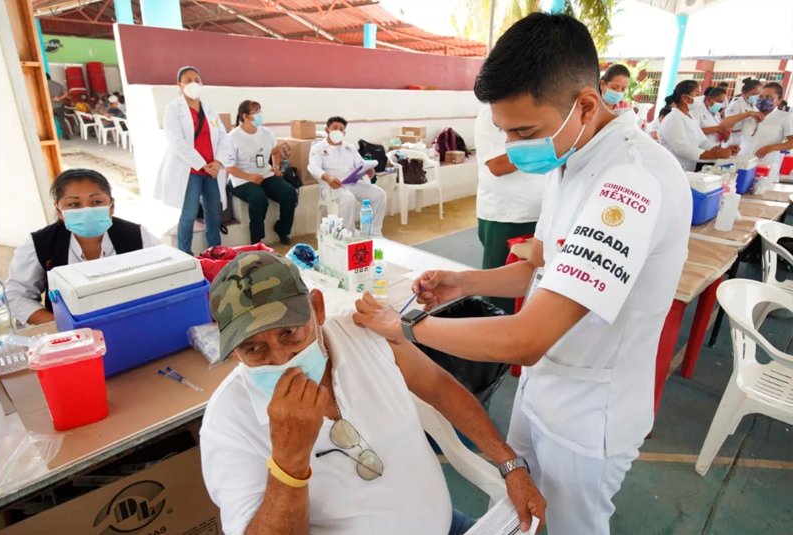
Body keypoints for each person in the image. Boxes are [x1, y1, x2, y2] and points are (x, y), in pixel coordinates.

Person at [352, 13, 692, 535]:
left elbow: (528, 337)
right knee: (524, 514)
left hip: (587, 413)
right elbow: (546, 273)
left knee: (570, 526)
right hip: (543, 392)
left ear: (583, 103)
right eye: (505, 130)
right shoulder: (572, 157)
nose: (512, 145)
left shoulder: (632, 182)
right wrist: (467, 283)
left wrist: (408, 330)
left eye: (523, 131)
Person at [200, 251, 546, 535]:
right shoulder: (228, 423)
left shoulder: (361, 333)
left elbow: (439, 388)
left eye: (290, 334)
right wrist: (288, 464)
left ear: (317, 309)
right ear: (233, 352)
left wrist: (509, 463)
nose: (281, 360)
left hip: (445, 525)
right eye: (254, 350)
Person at [4, 169, 160, 326]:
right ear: (59, 211)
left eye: (96, 202)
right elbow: (16, 295)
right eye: (74, 204)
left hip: (134, 323)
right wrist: (61, 325)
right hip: (71, 337)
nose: (87, 211)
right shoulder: (40, 244)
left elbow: (173, 276)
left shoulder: (138, 236)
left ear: (111, 206)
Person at [474, 103, 546, 313]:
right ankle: (489, 339)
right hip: (506, 216)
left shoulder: (541, 106)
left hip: (541, 213)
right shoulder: (492, 112)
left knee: (534, 289)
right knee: (499, 297)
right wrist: (541, 148)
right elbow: (498, 165)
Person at [155, 66, 230, 255]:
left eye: (196, 79)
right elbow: (176, 141)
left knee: (213, 212)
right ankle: (185, 254)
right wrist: (202, 164)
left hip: (212, 170)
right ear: (179, 85)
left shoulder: (209, 109)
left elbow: (223, 136)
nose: (193, 83)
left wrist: (219, 162)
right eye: (188, 80)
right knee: (188, 214)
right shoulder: (173, 109)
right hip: (191, 171)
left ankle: (215, 251)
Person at [226, 100, 297, 245]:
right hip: (241, 178)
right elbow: (229, 167)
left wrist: (276, 166)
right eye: (255, 112)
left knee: (289, 193)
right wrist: (249, 177)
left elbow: (275, 151)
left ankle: (282, 229)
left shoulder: (266, 133)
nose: (259, 115)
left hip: (265, 173)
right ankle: (257, 240)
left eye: (260, 111)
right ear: (245, 116)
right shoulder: (232, 137)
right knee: (259, 199)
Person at [308, 117, 386, 236]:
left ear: (344, 132)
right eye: (335, 128)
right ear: (327, 130)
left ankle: (375, 232)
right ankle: (348, 235)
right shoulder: (317, 148)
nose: (338, 131)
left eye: (341, 129)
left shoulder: (350, 148)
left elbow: (361, 164)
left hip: (352, 183)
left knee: (379, 194)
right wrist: (327, 177)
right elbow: (313, 167)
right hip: (333, 186)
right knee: (348, 198)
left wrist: (368, 170)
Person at [658, 80, 737, 171]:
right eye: (697, 95)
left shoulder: (690, 117)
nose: (700, 98)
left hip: (688, 168)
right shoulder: (673, 119)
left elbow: (702, 141)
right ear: (685, 98)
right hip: (674, 168)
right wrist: (715, 155)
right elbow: (682, 148)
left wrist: (721, 150)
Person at [738, 82, 793, 178]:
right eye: (761, 96)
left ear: (779, 100)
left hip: (766, 166)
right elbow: (725, 126)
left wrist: (770, 148)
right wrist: (748, 114)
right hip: (742, 164)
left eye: (768, 97)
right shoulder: (750, 113)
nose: (763, 99)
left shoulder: (785, 117)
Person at [694, 87, 761, 147]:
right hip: (700, 149)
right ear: (708, 99)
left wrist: (724, 134)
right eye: (718, 101)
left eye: (722, 102)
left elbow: (720, 127)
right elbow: (692, 131)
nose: (720, 104)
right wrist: (717, 129)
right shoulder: (696, 111)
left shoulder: (716, 113)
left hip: (714, 148)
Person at [725, 77, 762, 146]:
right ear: (744, 93)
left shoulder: (753, 103)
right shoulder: (736, 104)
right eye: (753, 94)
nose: (756, 96)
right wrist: (747, 114)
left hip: (748, 137)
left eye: (758, 94)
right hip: (736, 138)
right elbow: (728, 123)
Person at [46, 73, 70, 140]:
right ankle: (66, 136)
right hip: (59, 106)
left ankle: (51, 137)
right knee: (61, 121)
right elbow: (66, 93)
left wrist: (51, 99)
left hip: (49, 107)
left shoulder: (43, 85)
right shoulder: (58, 84)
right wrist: (59, 98)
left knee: (50, 122)